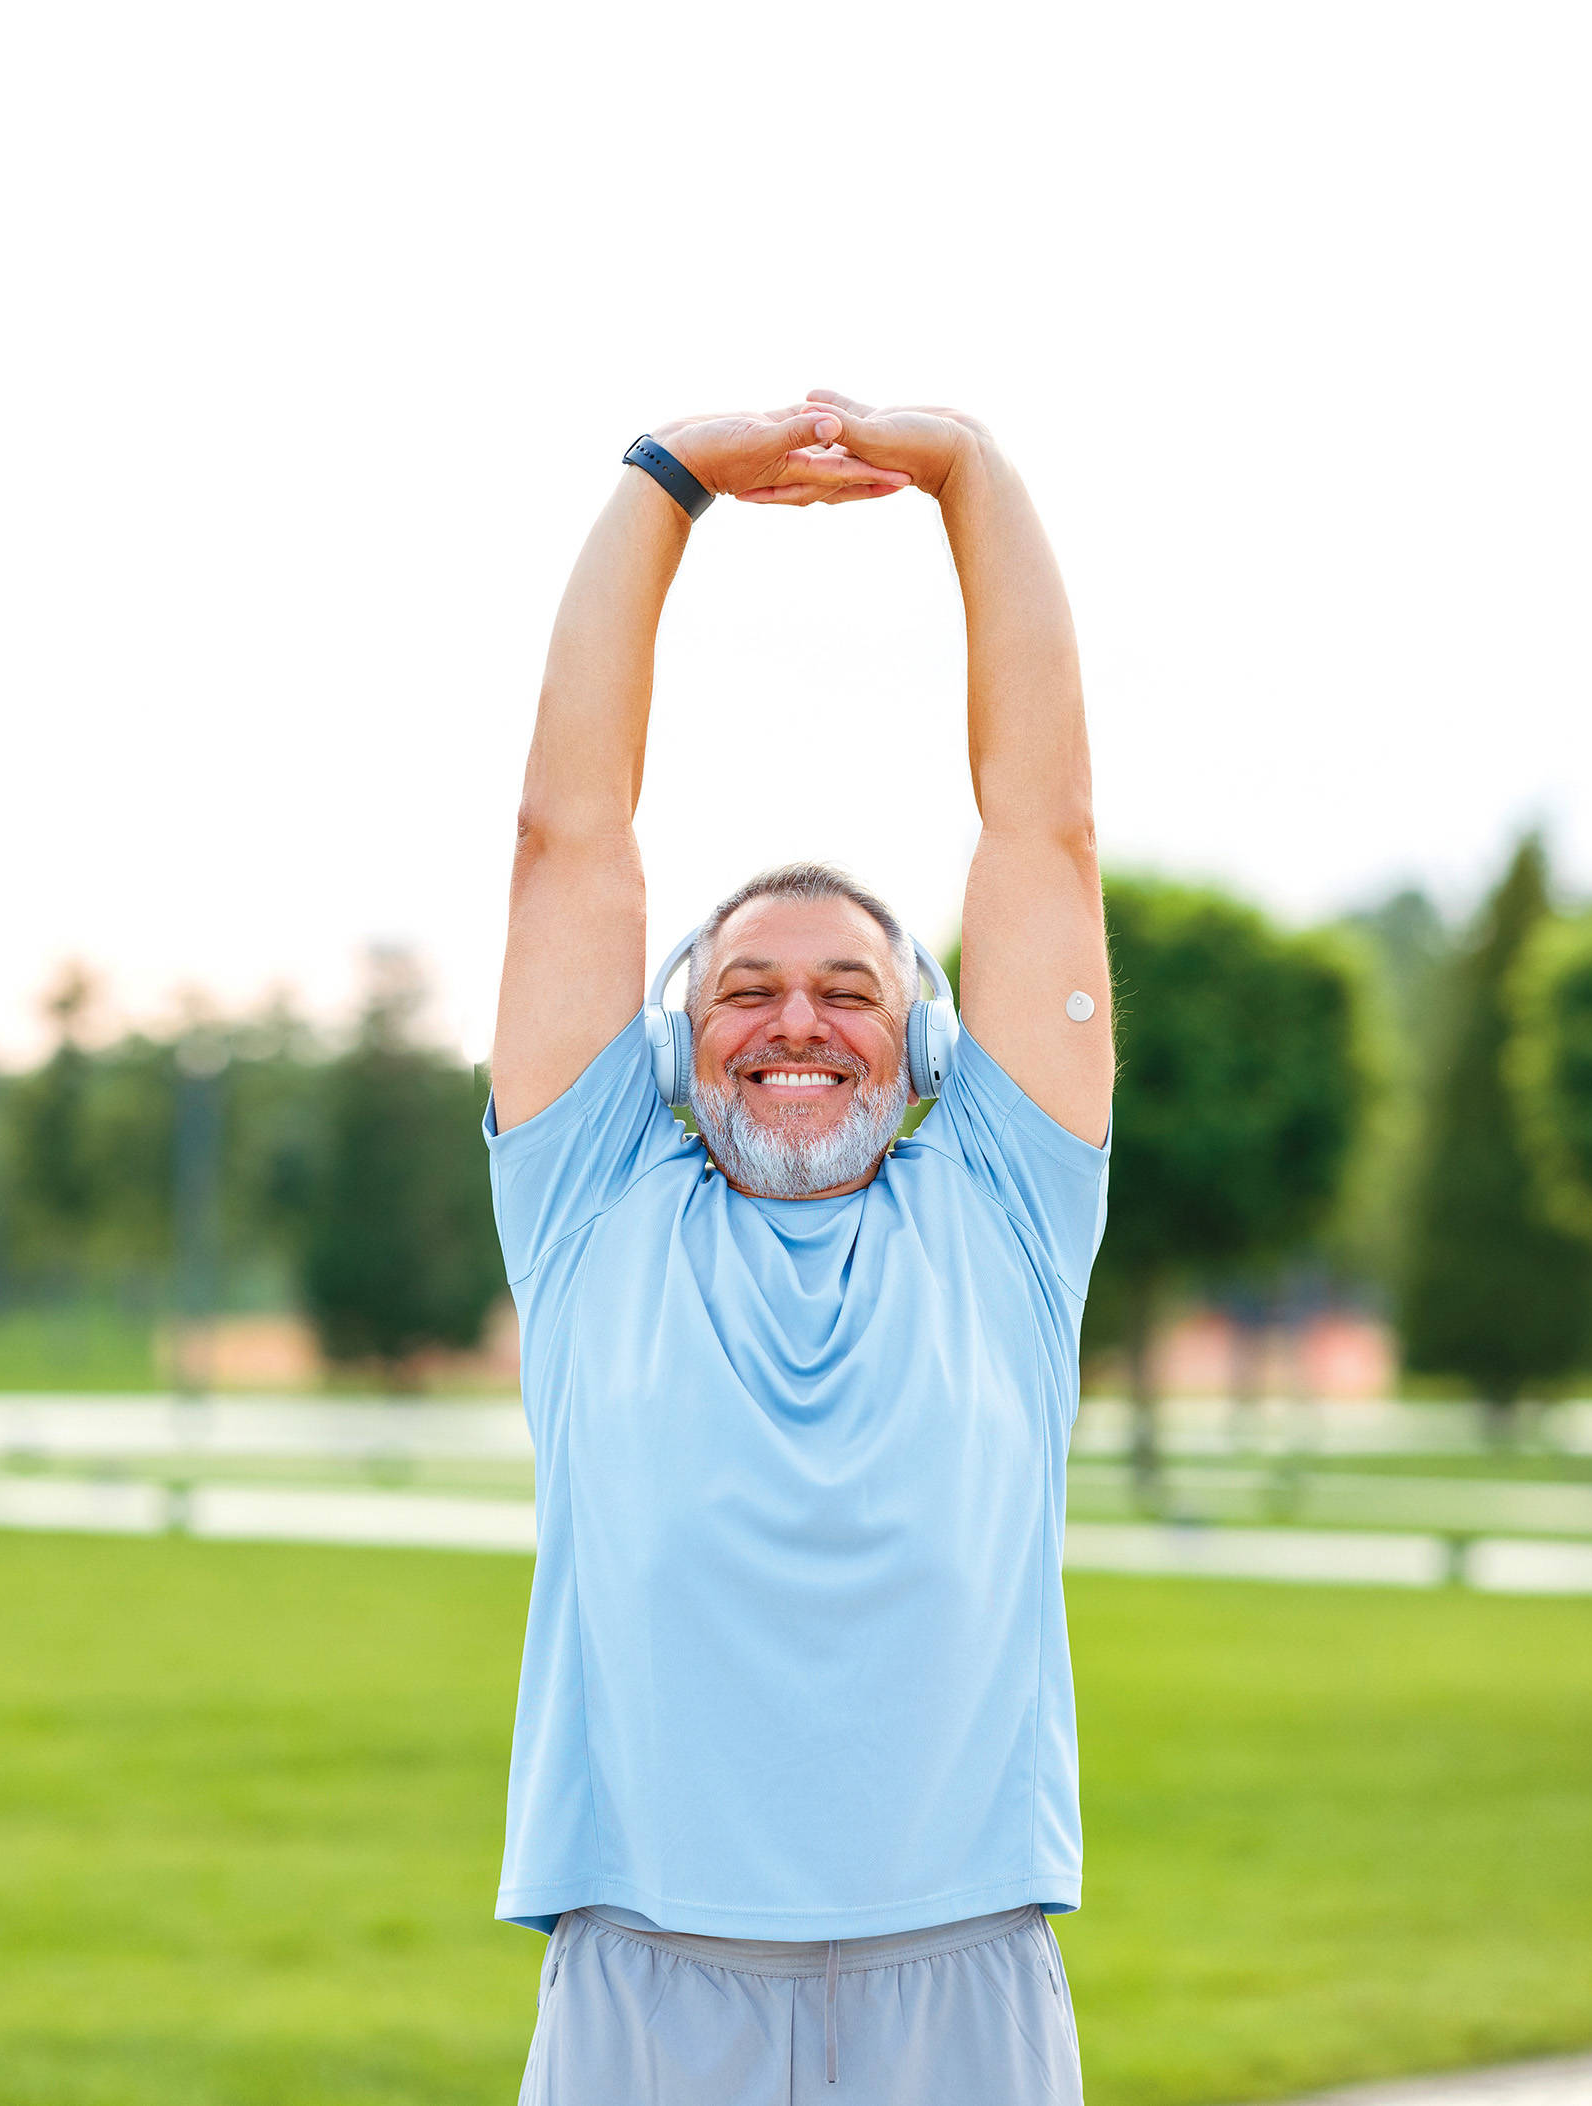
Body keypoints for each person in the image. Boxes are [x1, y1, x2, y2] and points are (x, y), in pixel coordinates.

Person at [486, 391, 1114, 2103]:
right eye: (746, 988)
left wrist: (969, 472)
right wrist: (670, 483)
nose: (796, 1022)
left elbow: (1042, 827)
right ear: (677, 1048)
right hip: (645, 1969)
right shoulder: (592, 1200)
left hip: (960, 1968)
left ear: (926, 1050)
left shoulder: (1007, 1204)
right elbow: (570, 841)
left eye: (852, 989)